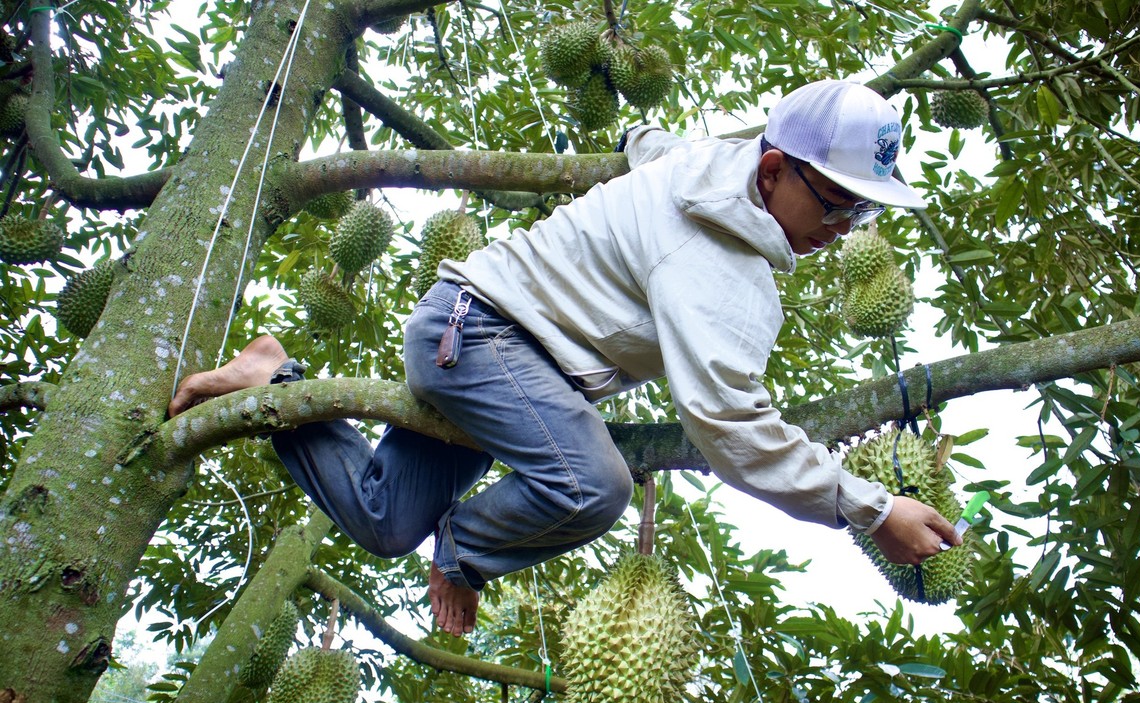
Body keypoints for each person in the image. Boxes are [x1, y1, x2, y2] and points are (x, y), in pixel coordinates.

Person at [169, 79, 960, 637]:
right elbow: (728, 424)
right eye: (834, 203)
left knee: (384, 522)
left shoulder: (708, 161)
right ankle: (464, 552)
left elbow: (652, 144)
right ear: (773, 170)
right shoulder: (717, 264)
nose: (843, 227)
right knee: (591, 486)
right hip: (481, 337)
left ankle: (270, 377)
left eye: (861, 211)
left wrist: (628, 138)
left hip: (511, 374)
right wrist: (873, 507)